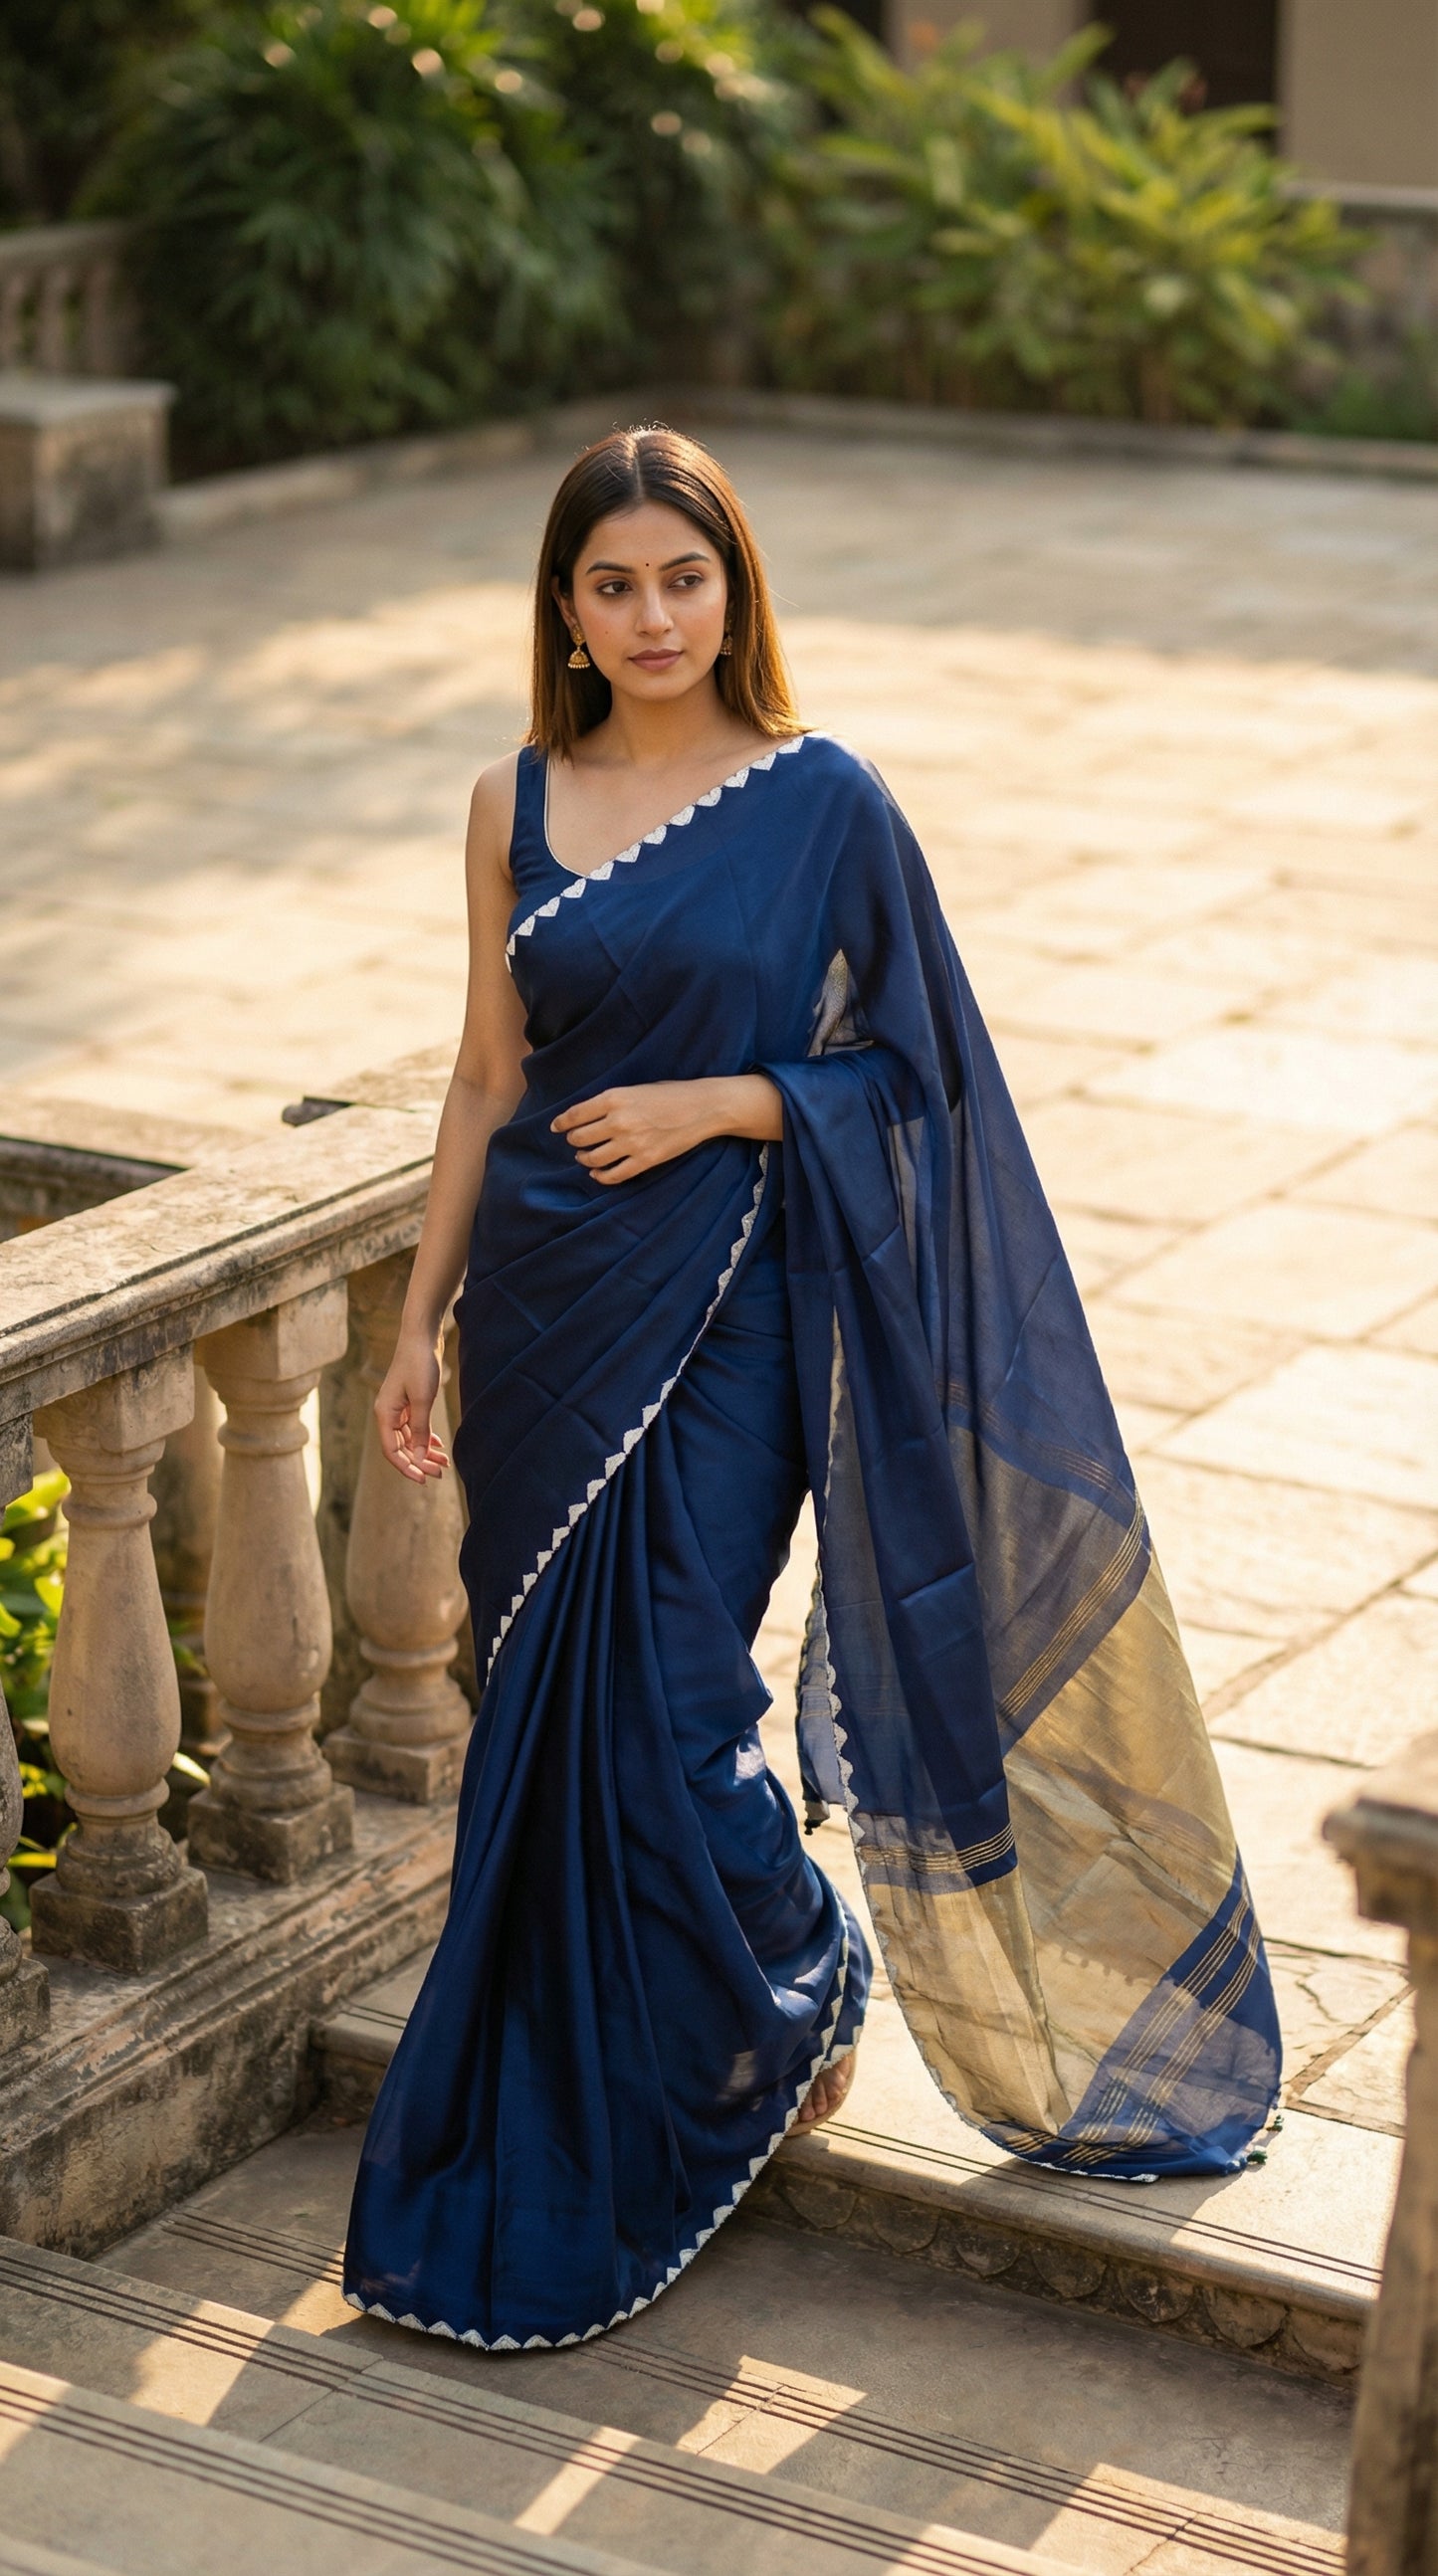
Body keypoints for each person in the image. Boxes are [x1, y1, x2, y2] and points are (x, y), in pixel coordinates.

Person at [343, 425, 1281, 2356]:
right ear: (567, 610)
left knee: (675, 1698)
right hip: (538, 1305)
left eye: (685, 576)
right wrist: (419, 1311)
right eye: (615, 583)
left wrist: (729, 1096)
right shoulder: (510, 797)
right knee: (549, 1709)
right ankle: (650, 2057)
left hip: (737, 1308)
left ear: (734, 585)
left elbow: (923, 1073)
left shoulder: (822, 796)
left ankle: (800, 1968)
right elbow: (479, 1076)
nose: (654, 613)